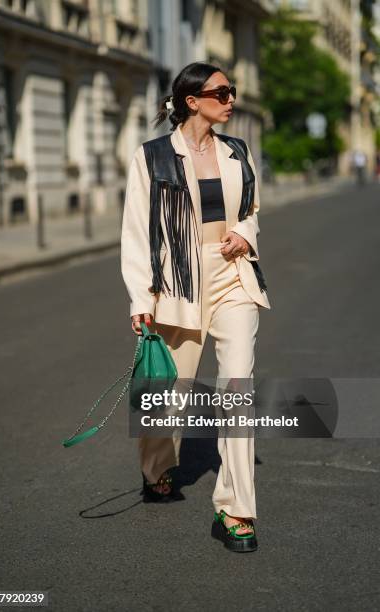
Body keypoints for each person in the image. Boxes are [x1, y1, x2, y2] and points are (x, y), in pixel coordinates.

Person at [120, 62, 271, 553]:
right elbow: (138, 231)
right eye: (222, 92)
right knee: (168, 391)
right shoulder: (153, 156)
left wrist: (243, 235)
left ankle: (236, 511)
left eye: (233, 92)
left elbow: (250, 210)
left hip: (233, 278)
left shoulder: (237, 150)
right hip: (178, 283)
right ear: (191, 100)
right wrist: (141, 298)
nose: (231, 100)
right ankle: (158, 470)